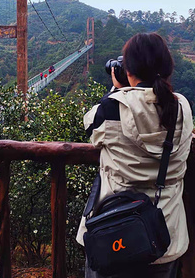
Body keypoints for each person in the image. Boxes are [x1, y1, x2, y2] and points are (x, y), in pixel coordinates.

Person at [76, 33, 193, 278]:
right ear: (168, 68)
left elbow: (90, 127)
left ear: (128, 70)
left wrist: (116, 89)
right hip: (165, 236)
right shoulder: (181, 106)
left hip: (113, 235)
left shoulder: (112, 107)